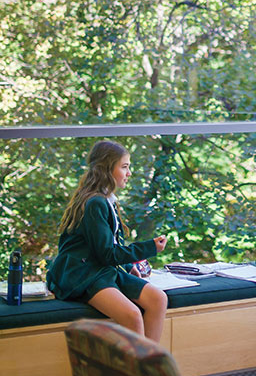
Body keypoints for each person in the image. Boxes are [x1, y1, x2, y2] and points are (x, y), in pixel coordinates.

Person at [47, 140, 168, 342]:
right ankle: (137, 371)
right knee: (132, 316)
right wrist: (150, 248)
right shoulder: (95, 203)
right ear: (106, 169)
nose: (129, 173)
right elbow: (106, 253)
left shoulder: (106, 199)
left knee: (158, 299)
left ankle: (151, 367)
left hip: (102, 268)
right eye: (124, 167)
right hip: (85, 274)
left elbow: (111, 244)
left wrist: (129, 265)